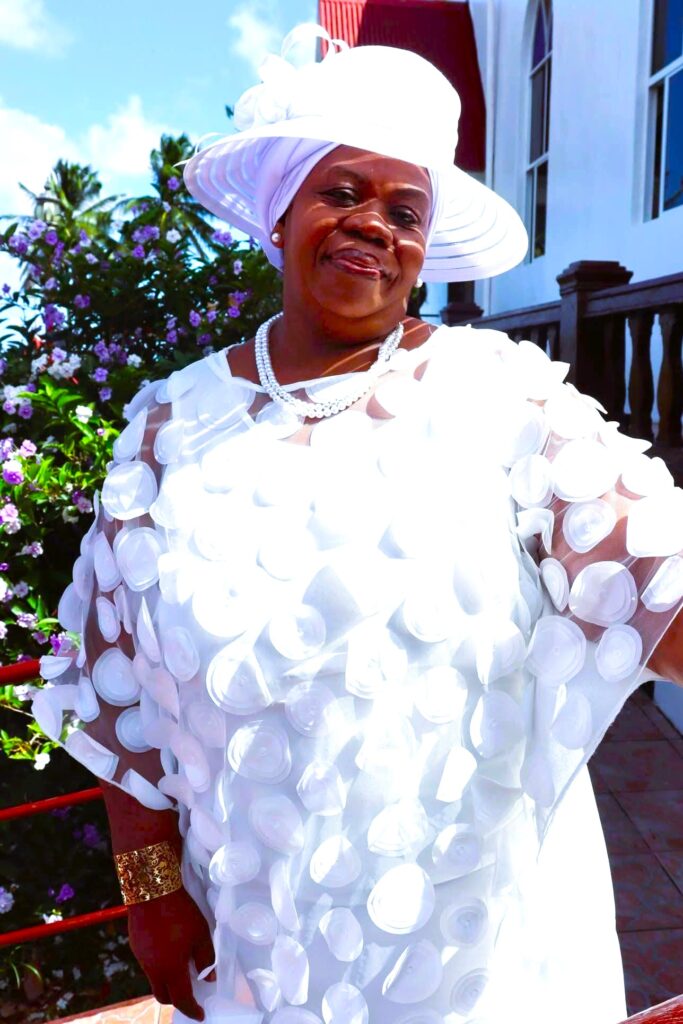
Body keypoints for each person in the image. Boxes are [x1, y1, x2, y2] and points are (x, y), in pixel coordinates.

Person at [33, 25, 683, 1024]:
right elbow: (119, 686)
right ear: (281, 211)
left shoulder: (502, 397)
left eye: (404, 209)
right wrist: (149, 892)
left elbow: (655, 575)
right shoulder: (166, 428)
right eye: (341, 192)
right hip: (259, 943)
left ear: (423, 247)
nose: (372, 225)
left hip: (483, 966)